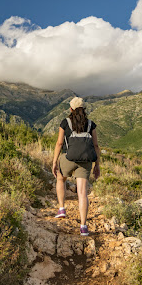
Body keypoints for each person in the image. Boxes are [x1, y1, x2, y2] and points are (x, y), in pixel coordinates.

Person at [51, 96, 101, 236]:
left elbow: (59, 143)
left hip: (68, 158)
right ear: (83, 108)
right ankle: (83, 226)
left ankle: (61, 209)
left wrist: (55, 161)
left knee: (60, 178)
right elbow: (96, 146)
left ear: (71, 109)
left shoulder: (65, 122)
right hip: (85, 162)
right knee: (82, 193)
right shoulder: (91, 124)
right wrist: (97, 165)